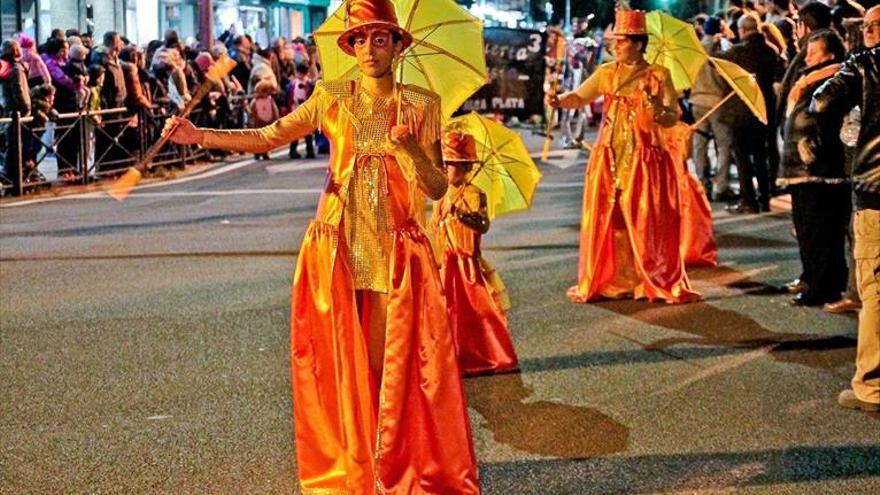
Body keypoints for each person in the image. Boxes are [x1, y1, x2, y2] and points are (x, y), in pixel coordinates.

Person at [162, 0, 481, 492]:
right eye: (360, 40)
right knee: (342, 364)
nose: (370, 49)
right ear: (349, 47)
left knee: (388, 360)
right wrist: (199, 134)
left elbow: (438, 187)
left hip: (395, 251)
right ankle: (357, 458)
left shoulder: (421, 104)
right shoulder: (331, 96)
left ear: (398, 44)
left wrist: (412, 150)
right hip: (338, 245)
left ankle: (391, 459)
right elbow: (271, 135)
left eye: (380, 38)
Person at [548, 9, 699, 303]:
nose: (615, 46)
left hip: (647, 159)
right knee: (614, 219)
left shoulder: (659, 75)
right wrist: (558, 100)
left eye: (622, 41)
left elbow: (671, 118)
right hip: (610, 156)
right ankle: (620, 278)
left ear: (639, 43)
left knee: (645, 221)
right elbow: (580, 97)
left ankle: (649, 278)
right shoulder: (607, 72)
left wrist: (655, 102)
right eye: (615, 41)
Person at [812, 3, 880, 413]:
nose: (868, 31)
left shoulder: (866, 65)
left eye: (874, 26)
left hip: (876, 193)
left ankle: (871, 385)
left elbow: (822, 102)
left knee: (875, 290)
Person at [432, 130, 518, 376]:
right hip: (446, 261)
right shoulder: (441, 194)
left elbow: (483, 225)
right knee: (449, 311)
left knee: (479, 310)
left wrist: (464, 216)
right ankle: (454, 356)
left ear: (465, 167)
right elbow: (435, 225)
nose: (446, 169)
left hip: (467, 263)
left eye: (452, 165)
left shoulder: (474, 194)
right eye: (445, 164)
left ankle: (493, 353)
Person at [779, 30, 850, 306]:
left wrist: (814, 144)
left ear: (830, 54)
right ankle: (812, 276)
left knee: (820, 230)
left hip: (818, 166)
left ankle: (823, 285)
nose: (807, 57)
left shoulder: (835, 77)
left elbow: (828, 117)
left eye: (813, 52)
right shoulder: (810, 78)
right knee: (806, 227)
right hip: (801, 167)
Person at [719, 13, 783, 213]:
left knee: (743, 159)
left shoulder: (736, 53)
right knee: (760, 156)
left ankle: (749, 201)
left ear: (742, 31)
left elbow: (719, 70)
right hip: (763, 109)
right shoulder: (771, 51)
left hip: (739, 112)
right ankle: (764, 198)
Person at [0, 39, 31, 194]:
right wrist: (27, 106)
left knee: (11, 146)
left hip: (8, 110)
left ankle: (10, 178)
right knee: (15, 146)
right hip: (17, 112)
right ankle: (14, 180)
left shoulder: (5, 66)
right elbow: (19, 90)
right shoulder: (15, 69)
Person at [285, 63, 315, 159]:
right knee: (294, 131)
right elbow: (287, 96)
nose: (300, 75)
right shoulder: (292, 84)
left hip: (307, 109)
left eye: (302, 74)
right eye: (299, 73)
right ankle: (292, 151)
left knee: (308, 132)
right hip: (295, 108)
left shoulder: (309, 84)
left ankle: (310, 151)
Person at [245, 80, 278, 160]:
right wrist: (246, 107)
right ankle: (257, 152)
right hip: (258, 123)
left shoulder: (270, 100)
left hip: (267, 122)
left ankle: (265, 152)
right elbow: (251, 113)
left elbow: (275, 110)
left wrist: (276, 119)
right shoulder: (255, 102)